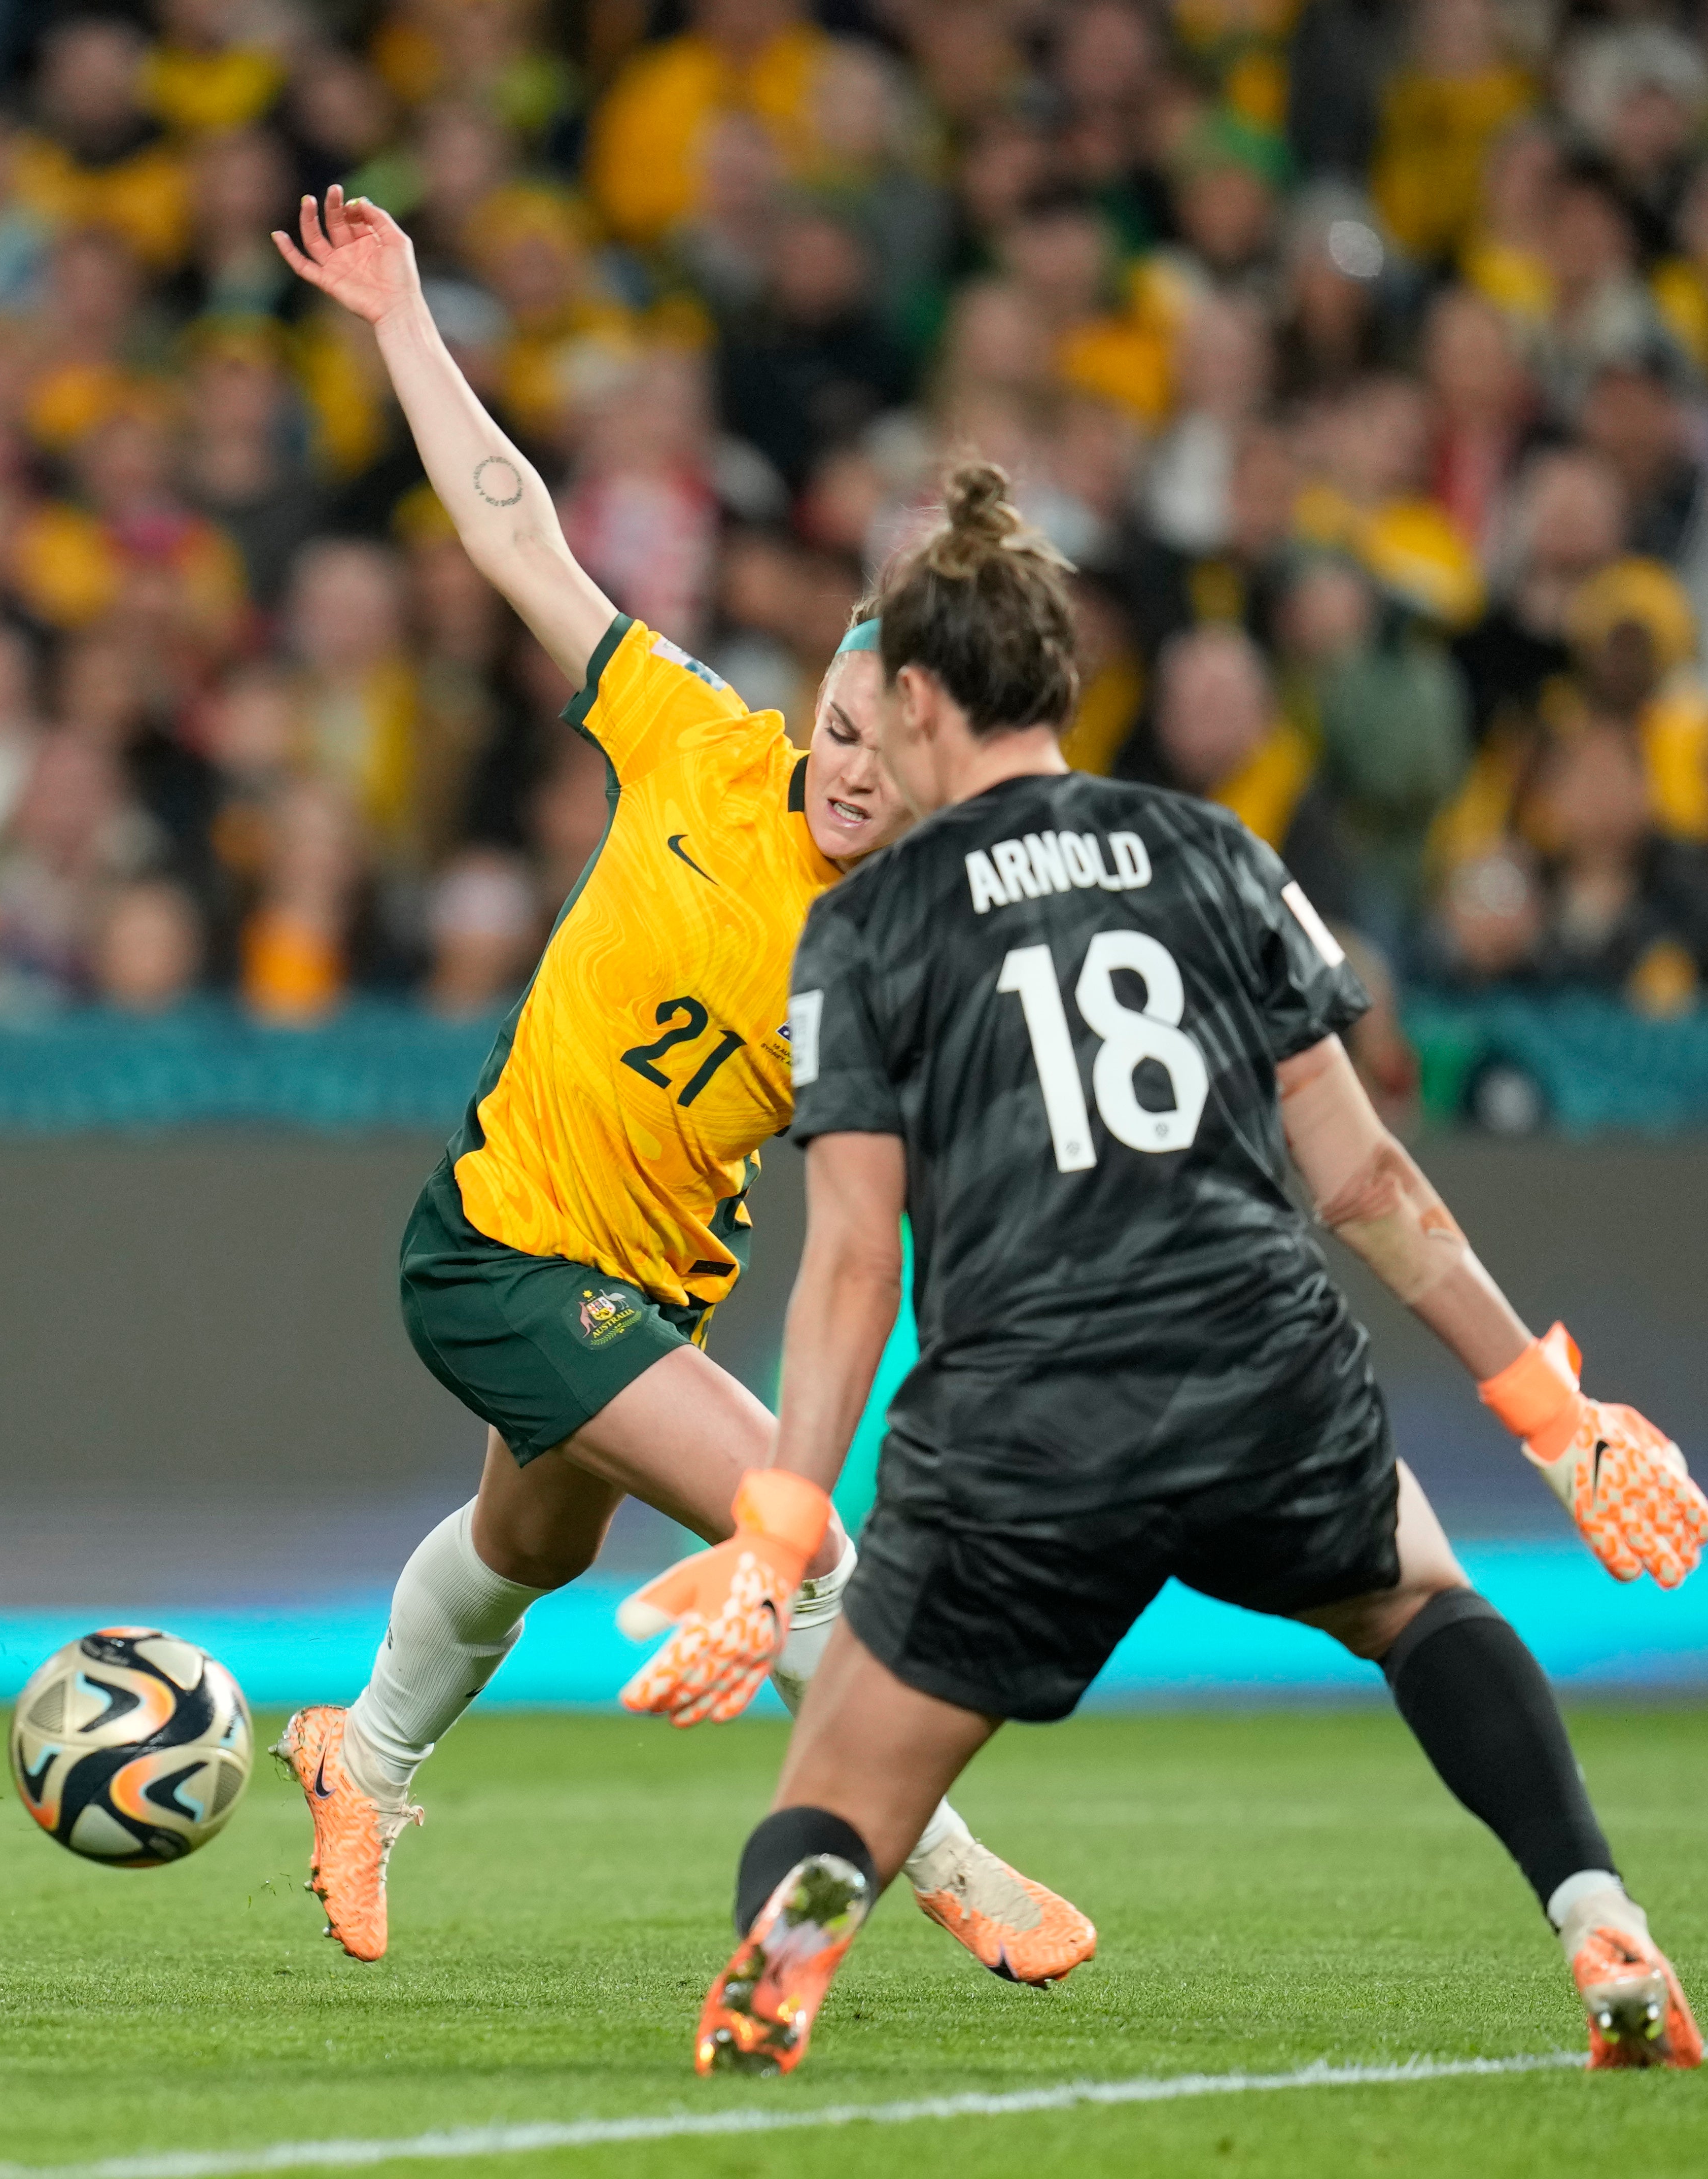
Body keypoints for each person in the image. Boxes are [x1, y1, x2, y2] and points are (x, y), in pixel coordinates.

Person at [645, 463, 1708, 2078]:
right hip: (1257, 1363)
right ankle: (1593, 1912)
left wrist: (785, 1518)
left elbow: (857, 1260)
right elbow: (1366, 1175)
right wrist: (1549, 1411)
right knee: (1425, 1605)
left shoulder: (869, 931)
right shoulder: (1213, 850)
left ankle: (809, 1910)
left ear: (923, 696)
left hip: (1025, 1417)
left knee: (847, 1780)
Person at [259, 190, 1093, 1985]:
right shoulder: (699, 742)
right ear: (818, 705)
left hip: (651, 1278)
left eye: (899, 753)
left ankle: (359, 1753)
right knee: (796, 1531)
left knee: (522, 1545)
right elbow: (518, 542)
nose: (855, 773)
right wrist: (406, 317)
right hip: (499, 1246)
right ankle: (941, 1864)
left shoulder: (917, 943)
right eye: (846, 729)